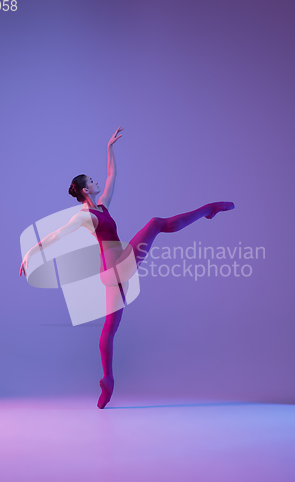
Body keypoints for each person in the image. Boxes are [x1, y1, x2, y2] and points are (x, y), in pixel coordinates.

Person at [20, 127, 235, 409]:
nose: (98, 182)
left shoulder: (102, 207)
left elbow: (112, 176)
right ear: (85, 189)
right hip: (116, 269)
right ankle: (209, 209)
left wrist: (109, 148)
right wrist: (31, 253)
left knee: (110, 328)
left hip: (114, 274)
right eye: (92, 181)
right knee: (156, 223)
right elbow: (57, 235)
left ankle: (107, 382)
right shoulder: (84, 216)